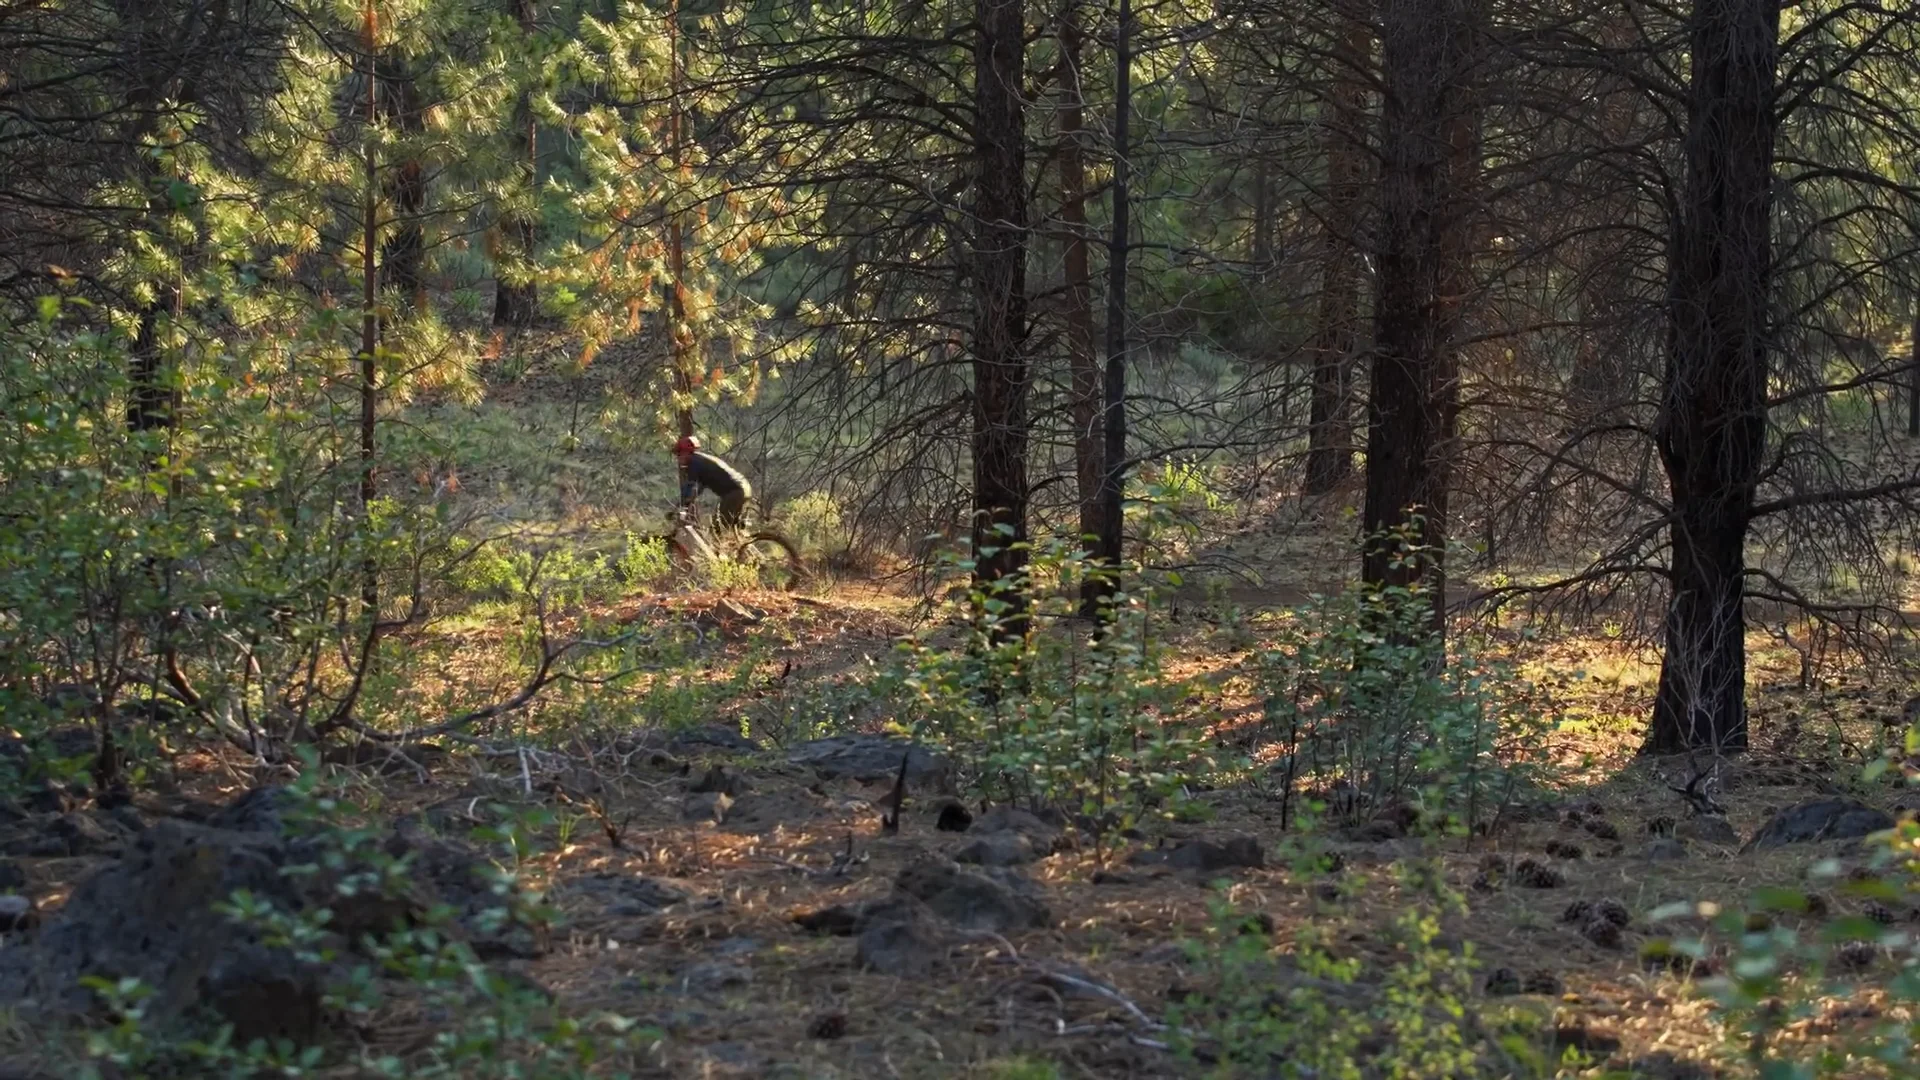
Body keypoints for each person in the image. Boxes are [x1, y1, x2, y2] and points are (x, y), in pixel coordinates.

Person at [674, 434, 752, 532]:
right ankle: (744, 545)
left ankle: (724, 545)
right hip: (744, 488)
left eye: (679, 454)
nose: (678, 459)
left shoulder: (693, 462)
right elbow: (699, 488)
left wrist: (682, 505)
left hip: (735, 492)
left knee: (717, 528)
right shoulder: (701, 460)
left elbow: (691, 486)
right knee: (733, 527)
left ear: (686, 452)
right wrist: (687, 502)